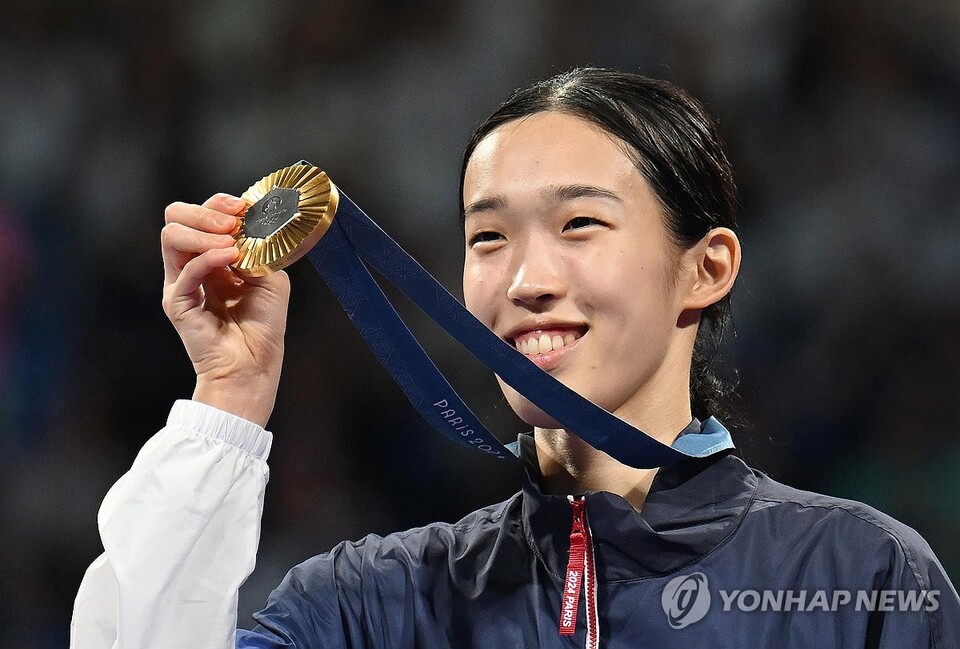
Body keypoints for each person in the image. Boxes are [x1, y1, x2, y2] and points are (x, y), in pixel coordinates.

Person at [71, 68, 959, 648]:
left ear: (707, 267)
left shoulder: (855, 577)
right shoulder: (368, 605)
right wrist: (228, 394)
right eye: (487, 237)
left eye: (580, 224)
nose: (527, 278)